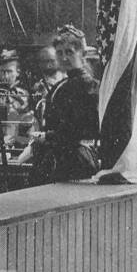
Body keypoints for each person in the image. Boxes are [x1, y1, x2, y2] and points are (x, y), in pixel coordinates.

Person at [27, 24, 100, 184]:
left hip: (76, 160)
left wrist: (46, 137)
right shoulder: (65, 84)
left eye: (69, 52)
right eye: (60, 53)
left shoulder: (87, 86)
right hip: (61, 157)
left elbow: (76, 130)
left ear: (82, 54)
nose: (64, 58)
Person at [0, 49, 32, 144]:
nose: (5, 76)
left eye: (9, 71)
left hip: (18, 141)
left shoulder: (24, 94)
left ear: (18, 72)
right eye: (2, 72)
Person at [28, 45, 65, 126]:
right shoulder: (37, 83)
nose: (48, 65)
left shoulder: (65, 80)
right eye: (44, 61)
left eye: (52, 61)